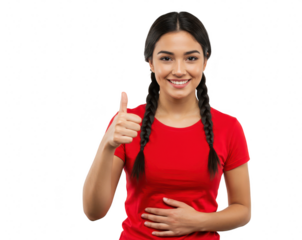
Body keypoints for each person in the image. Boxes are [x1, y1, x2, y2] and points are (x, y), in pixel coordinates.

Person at [84, 10, 252, 239]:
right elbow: (94, 212)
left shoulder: (229, 127)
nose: (179, 70)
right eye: (166, 58)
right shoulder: (127, 123)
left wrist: (198, 221)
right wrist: (107, 144)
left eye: (191, 58)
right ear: (150, 62)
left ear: (205, 61)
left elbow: (243, 210)